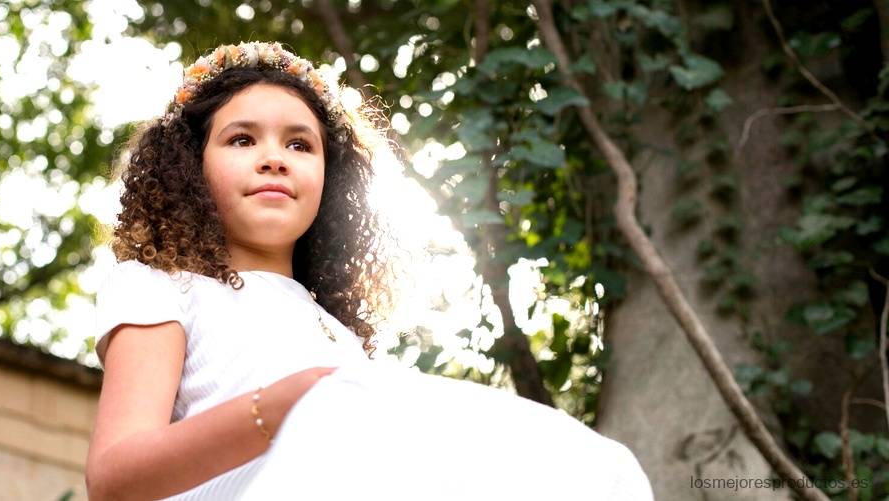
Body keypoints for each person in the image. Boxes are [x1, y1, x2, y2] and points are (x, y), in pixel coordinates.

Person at [84, 41, 653, 501]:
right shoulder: (160, 287)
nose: (275, 156)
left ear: (330, 183)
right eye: (241, 138)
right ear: (189, 166)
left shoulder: (337, 333)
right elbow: (114, 478)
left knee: (598, 467)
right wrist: (289, 404)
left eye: (301, 145)